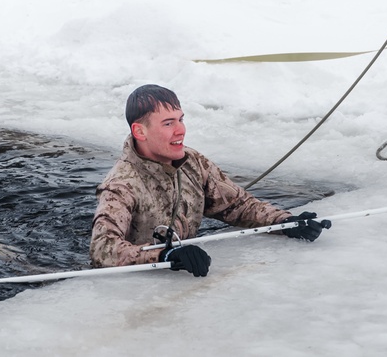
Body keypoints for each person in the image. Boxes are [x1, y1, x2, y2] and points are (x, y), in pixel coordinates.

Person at [90, 84, 328, 277]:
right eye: (168, 123)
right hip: (136, 286)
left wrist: (286, 222)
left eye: (181, 119)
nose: (181, 130)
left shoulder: (193, 162)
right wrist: (164, 256)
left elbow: (238, 206)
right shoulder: (120, 185)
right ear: (140, 132)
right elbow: (103, 249)